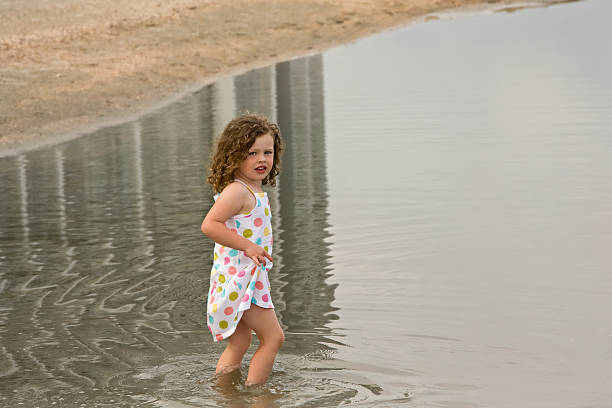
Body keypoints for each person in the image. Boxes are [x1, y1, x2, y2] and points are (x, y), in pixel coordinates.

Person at [201, 113, 285, 385]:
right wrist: (248, 245)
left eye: (267, 152)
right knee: (273, 338)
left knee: (240, 342)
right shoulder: (238, 192)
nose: (262, 159)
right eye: (252, 152)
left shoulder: (252, 189)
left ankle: (226, 394)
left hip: (238, 277)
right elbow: (209, 225)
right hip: (241, 281)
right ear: (234, 155)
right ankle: (258, 397)